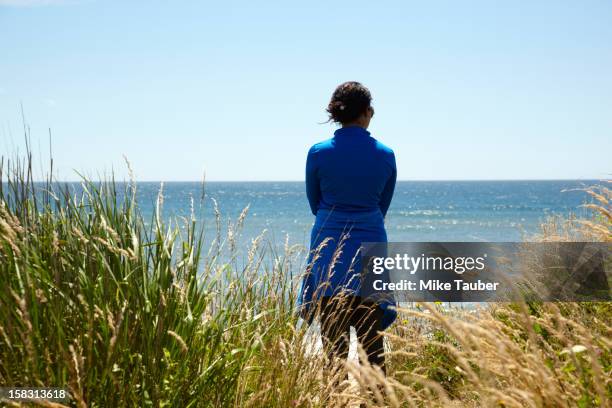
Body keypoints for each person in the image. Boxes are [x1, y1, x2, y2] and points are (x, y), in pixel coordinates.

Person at [298, 81, 397, 374]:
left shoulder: (318, 153)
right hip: (370, 251)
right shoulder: (385, 154)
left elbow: (315, 203)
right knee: (373, 351)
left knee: (334, 352)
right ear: (367, 112)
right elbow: (383, 206)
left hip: (330, 255)